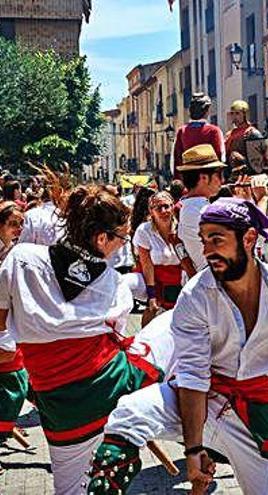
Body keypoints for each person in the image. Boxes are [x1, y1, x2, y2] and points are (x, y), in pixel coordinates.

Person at [86, 197, 268, 494]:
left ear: (248, 238)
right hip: (197, 398)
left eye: (217, 240)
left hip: (251, 412)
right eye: (203, 240)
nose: (207, 250)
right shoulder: (195, 295)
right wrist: (194, 452)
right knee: (130, 412)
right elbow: (193, 378)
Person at [0, 185, 173, 494]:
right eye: (122, 239)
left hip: (57, 407)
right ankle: (188, 432)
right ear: (101, 238)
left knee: (67, 491)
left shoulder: (20, 259)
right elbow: (117, 339)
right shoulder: (112, 284)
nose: (123, 247)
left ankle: (128, 441)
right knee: (175, 324)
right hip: (107, 390)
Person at [133, 192, 196, 325]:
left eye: (167, 206)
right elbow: (146, 264)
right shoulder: (144, 230)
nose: (164, 211)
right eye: (158, 208)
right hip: (156, 280)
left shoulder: (182, 227)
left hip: (181, 279)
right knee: (152, 314)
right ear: (151, 211)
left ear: (173, 207)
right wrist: (152, 295)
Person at [177, 144, 226, 271]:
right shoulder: (200, 211)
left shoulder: (194, 206)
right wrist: (260, 199)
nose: (223, 180)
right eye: (219, 175)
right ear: (203, 177)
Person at [0, 202, 24, 453]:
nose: (18, 229)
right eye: (13, 224)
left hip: (7, 319)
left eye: (21, 224)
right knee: (14, 380)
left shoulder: (11, 249)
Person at [173, 93, 225, 174]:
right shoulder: (214, 131)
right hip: (208, 178)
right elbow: (220, 156)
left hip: (188, 179)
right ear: (206, 111)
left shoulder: (181, 131)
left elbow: (175, 159)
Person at [225, 100, 262, 176]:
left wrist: (242, 160)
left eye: (237, 113)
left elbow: (260, 161)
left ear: (245, 114)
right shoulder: (229, 135)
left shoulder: (252, 133)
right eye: (232, 114)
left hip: (248, 176)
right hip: (231, 177)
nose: (234, 117)